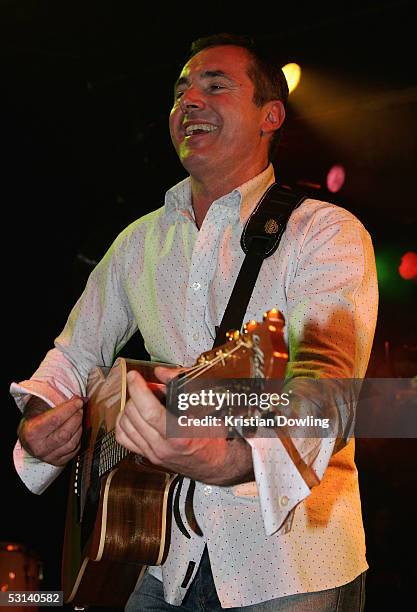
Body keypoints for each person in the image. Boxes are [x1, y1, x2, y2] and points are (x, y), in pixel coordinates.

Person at [10, 33, 378, 610]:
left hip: (288, 565)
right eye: (181, 92)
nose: (189, 103)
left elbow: (326, 391)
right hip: (159, 557)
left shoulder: (325, 233)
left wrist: (226, 457)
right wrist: (38, 424)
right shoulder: (138, 242)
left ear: (270, 115)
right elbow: (72, 357)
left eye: (215, 86)